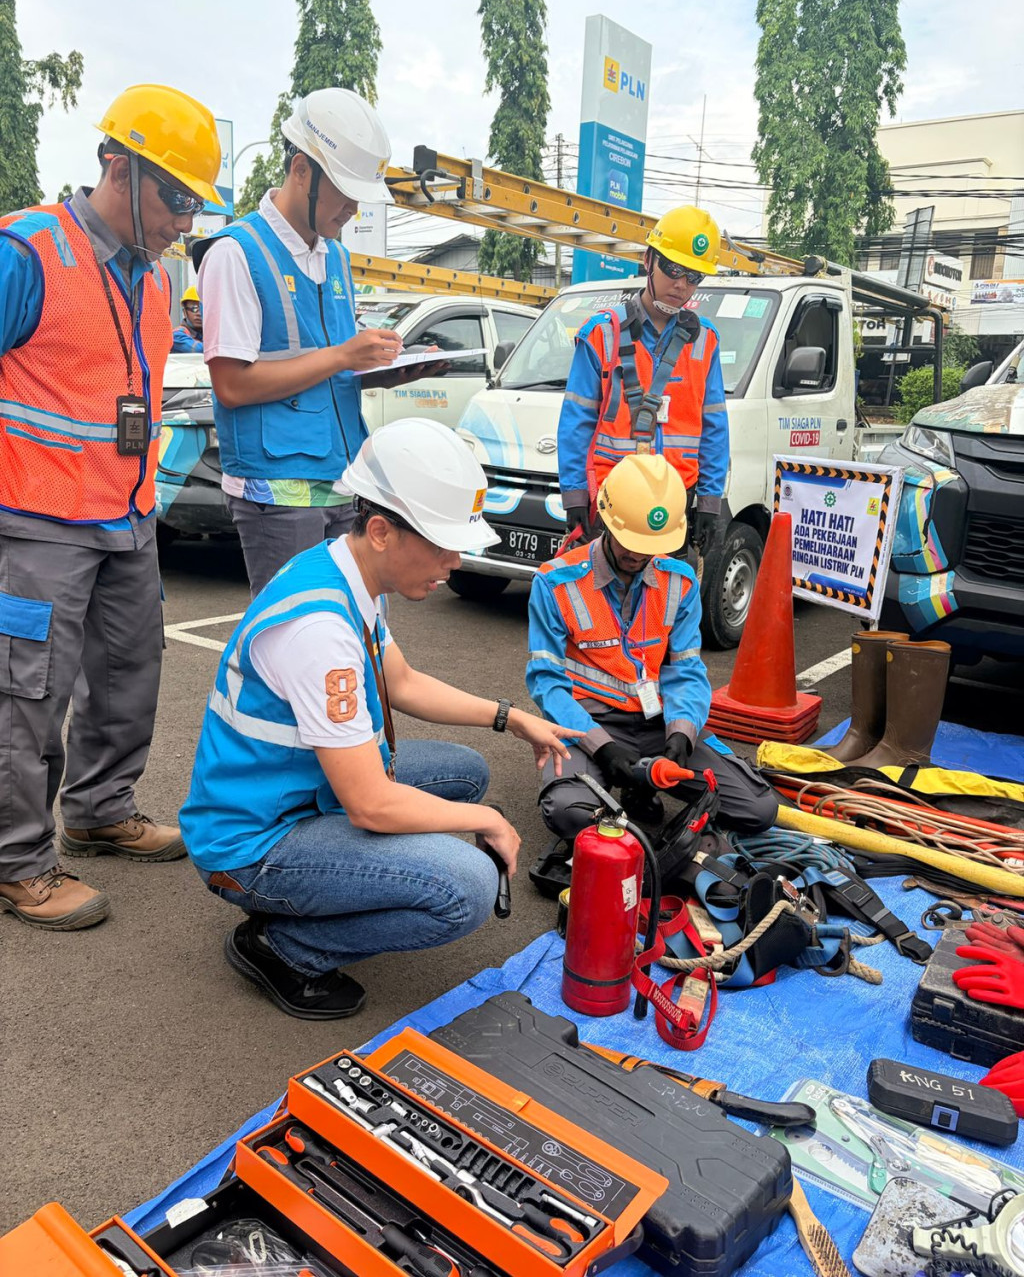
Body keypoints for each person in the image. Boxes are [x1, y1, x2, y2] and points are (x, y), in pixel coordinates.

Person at [179, 418, 580, 1020]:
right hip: (251, 843)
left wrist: (511, 717)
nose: (456, 561)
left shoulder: (351, 570)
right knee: (466, 886)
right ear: (381, 530)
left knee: (463, 771)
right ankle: (285, 945)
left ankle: (328, 892)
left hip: (296, 790)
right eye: (443, 544)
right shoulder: (319, 630)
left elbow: (403, 682)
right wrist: (485, 821)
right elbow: (369, 804)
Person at [0, 85, 223, 930]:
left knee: (130, 675)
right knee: (27, 694)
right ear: (116, 165)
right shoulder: (29, 251)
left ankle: (98, 810)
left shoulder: (158, 280)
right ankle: (17, 860)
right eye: (175, 198)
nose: (183, 220)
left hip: (127, 517)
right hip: (35, 519)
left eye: (193, 203)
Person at [196, 87, 446, 598]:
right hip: (278, 492)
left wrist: (386, 369)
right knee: (295, 645)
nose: (353, 209)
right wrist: (343, 355)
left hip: (343, 479)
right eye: (345, 192)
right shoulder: (235, 253)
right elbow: (231, 385)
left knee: (351, 636)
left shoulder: (333, 258)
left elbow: (332, 367)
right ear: (301, 171)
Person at [527, 453, 776, 839]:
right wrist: (602, 746)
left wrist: (681, 733)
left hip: (658, 723)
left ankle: (639, 784)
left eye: (650, 545)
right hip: (588, 723)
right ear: (606, 520)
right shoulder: (555, 584)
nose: (638, 555)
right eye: (629, 542)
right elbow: (546, 682)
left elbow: (686, 671)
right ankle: (627, 787)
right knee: (568, 810)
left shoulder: (680, 583)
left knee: (758, 808)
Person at [557, 205, 730, 563]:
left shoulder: (705, 341)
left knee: (666, 609)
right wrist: (574, 493)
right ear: (648, 260)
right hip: (612, 506)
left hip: (673, 504)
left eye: (694, 276)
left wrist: (710, 503)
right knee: (603, 609)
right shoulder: (602, 334)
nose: (681, 284)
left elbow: (714, 427)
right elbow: (577, 420)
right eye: (673, 269)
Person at [172, 285, 203, 353]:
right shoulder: (177, 335)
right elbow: (199, 349)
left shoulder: (207, 334)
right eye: (194, 308)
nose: (199, 313)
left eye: (202, 309)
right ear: (185, 312)